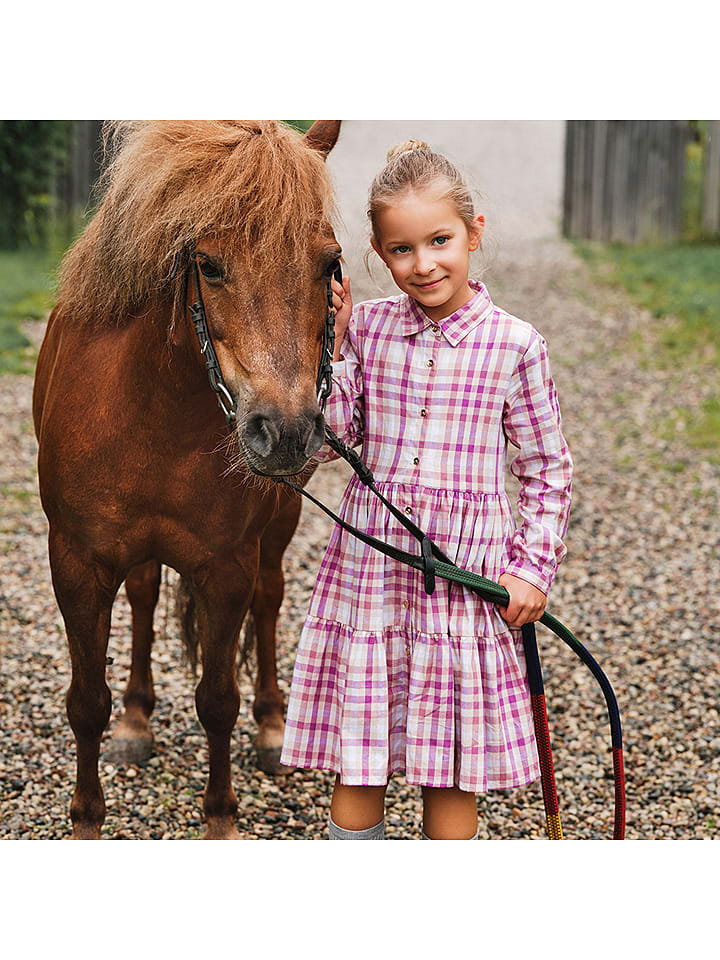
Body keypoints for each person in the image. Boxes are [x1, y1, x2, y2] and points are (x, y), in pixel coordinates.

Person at [280, 140, 573, 839]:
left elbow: (547, 469)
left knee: (449, 766)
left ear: (474, 233)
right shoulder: (371, 330)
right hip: (372, 574)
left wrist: (532, 569)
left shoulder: (515, 344)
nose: (424, 264)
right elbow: (329, 444)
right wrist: (337, 349)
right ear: (380, 255)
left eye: (439, 240)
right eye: (402, 249)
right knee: (361, 758)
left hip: (462, 582)